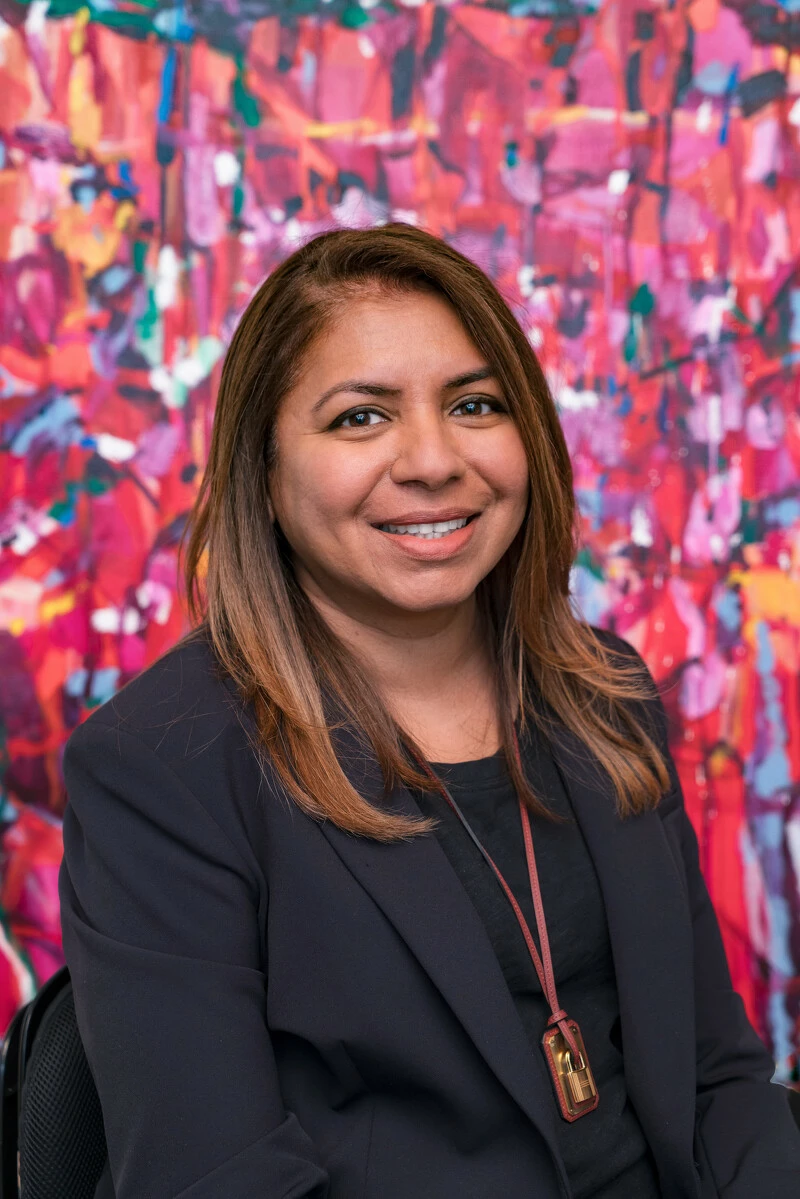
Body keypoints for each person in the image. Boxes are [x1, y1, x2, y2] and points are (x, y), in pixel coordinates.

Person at [59, 224, 800, 1199]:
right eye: (359, 418)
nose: (431, 460)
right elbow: (216, 1175)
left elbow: (717, 1082)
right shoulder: (162, 765)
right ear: (266, 474)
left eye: (473, 404)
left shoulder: (605, 694)